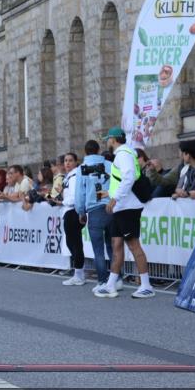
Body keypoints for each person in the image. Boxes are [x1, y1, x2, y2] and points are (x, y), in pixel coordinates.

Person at [94, 127, 154, 299]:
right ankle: (111, 284)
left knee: (133, 245)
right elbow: (124, 179)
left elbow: (129, 176)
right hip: (123, 206)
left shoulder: (123, 154)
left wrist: (115, 198)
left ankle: (146, 285)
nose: (107, 142)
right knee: (117, 244)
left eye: (108, 139)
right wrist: (111, 195)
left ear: (113, 139)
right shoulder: (125, 153)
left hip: (127, 207)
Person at [75, 140, 113, 288]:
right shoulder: (109, 165)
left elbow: (80, 193)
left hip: (94, 209)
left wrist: (80, 211)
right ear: (98, 150)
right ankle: (117, 278)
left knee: (98, 249)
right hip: (110, 207)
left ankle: (102, 281)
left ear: (85, 152)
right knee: (112, 246)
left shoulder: (82, 168)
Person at [59, 152, 86, 286]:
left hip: (73, 210)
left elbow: (75, 196)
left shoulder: (75, 175)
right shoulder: (68, 176)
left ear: (76, 162)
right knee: (72, 243)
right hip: (68, 210)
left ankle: (79, 274)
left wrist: (63, 202)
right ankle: (78, 273)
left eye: (70, 160)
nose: (67, 163)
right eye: (65, 161)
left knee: (75, 243)